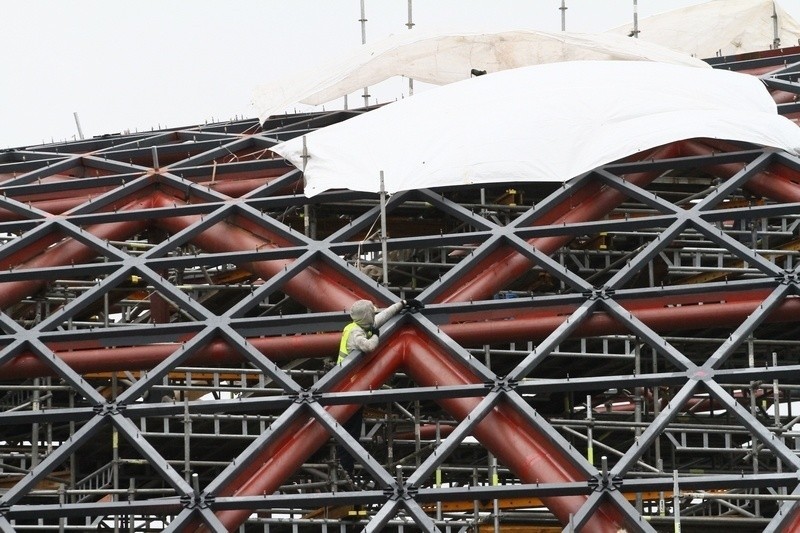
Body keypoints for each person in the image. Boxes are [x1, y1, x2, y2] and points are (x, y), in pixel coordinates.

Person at [335, 298, 423, 483]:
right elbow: (370, 346)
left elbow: (381, 317)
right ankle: (346, 473)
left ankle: (346, 472)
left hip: (350, 387)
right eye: (371, 313)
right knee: (349, 434)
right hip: (347, 389)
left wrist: (402, 303)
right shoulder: (356, 333)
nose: (374, 315)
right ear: (366, 316)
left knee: (351, 432)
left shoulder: (356, 325)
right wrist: (375, 335)